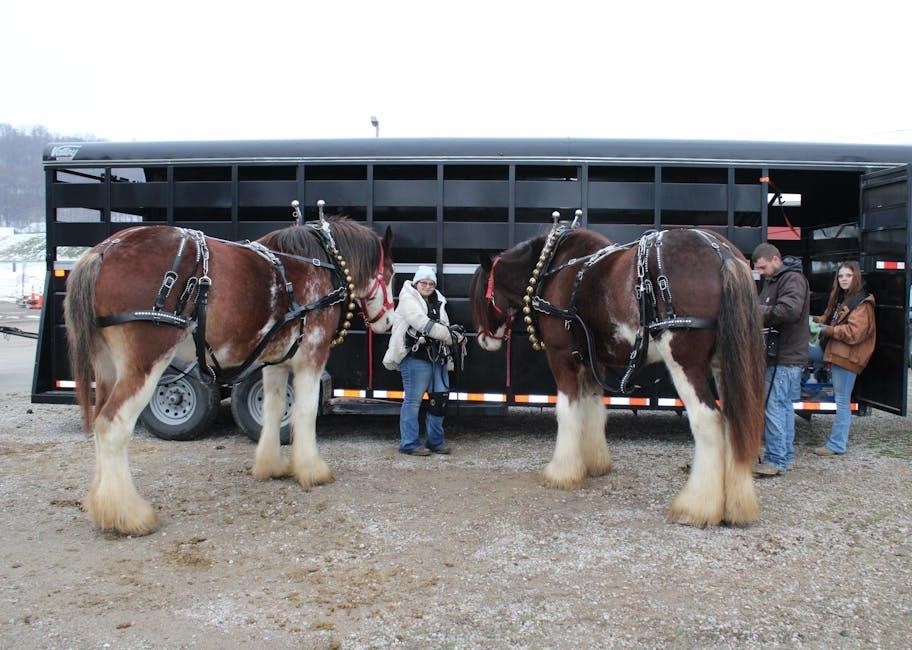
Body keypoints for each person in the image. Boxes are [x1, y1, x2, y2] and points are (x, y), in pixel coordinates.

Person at [383, 265, 466, 456]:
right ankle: (409, 444)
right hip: (415, 358)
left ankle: (435, 442)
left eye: (431, 283)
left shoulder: (438, 300)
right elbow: (421, 323)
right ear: (416, 283)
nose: (427, 286)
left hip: (437, 357)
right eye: (423, 282)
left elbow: (441, 325)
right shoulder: (407, 299)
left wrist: (450, 335)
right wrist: (451, 336)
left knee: (440, 400)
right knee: (413, 401)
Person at [752, 243, 810, 478]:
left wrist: (754, 310)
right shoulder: (776, 280)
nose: (761, 273)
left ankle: (775, 460)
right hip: (784, 355)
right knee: (783, 406)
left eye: (763, 267)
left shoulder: (792, 279)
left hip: (784, 356)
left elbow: (788, 311)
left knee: (773, 406)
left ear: (776, 259)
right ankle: (784, 457)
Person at [809, 261, 876, 456]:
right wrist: (810, 320)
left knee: (842, 400)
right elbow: (827, 319)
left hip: (848, 356)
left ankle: (837, 445)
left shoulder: (863, 303)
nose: (844, 279)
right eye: (840, 276)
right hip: (835, 350)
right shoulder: (842, 298)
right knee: (797, 351)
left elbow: (854, 333)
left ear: (856, 277)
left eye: (848, 275)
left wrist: (826, 330)